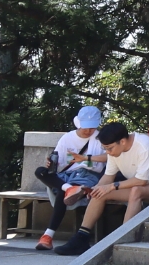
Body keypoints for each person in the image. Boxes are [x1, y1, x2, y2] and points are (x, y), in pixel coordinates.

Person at [53, 122, 149, 256]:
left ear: (123, 141)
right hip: (140, 185)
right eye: (105, 149)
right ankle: (81, 238)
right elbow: (108, 176)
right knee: (101, 193)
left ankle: (122, 239)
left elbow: (141, 181)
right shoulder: (114, 151)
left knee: (136, 191)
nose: (108, 153)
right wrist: (95, 189)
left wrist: (112, 186)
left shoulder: (144, 146)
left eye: (109, 148)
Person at [33, 106, 108, 252]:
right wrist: (50, 163)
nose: (89, 131)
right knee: (40, 171)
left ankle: (48, 236)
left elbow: (106, 159)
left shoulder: (100, 138)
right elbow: (58, 161)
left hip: (87, 175)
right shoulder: (67, 138)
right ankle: (69, 188)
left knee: (63, 193)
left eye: (92, 127)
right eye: (86, 127)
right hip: (66, 176)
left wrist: (84, 159)